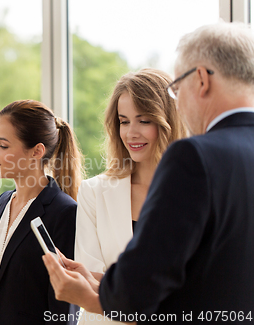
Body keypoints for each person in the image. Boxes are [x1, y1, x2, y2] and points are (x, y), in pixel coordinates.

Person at [44, 22, 254, 322]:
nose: (178, 101)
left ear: (202, 80)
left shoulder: (193, 156)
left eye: (178, 89)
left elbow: (137, 291)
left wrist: (88, 297)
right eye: (124, 121)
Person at [74, 68, 185, 323]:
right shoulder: (94, 192)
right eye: (124, 121)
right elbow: (90, 283)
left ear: (168, 121)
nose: (131, 132)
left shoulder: (192, 192)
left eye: (144, 120)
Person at [0, 100, 83, 325]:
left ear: (37, 151)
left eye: (3, 145)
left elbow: (63, 311)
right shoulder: (3, 202)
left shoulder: (64, 212)